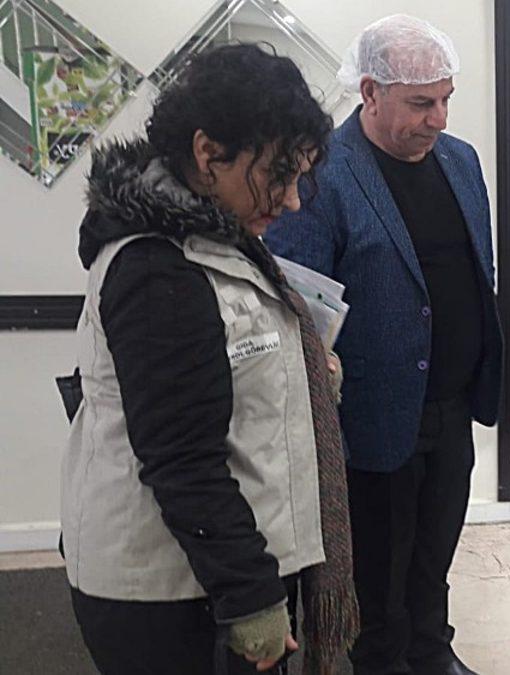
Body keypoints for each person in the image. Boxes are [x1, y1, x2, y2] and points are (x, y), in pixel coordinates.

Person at [62, 44, 358, 674]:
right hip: (171, 593)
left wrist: (302, 374)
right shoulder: (156, 268)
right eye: (278, 173)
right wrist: (251, 596)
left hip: (206, 576)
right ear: (207, 153)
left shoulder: (214, 236)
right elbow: (181, 456)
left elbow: (224, 381)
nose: (292, 200)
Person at [264, 14, 503, 675]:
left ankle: (432, 651)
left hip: (452, 405)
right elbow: (299, 310)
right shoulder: (322, 174)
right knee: (379, 569)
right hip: (372, 416)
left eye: (446, 99)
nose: (439, 119)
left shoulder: (460, 161)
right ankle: (382, 662)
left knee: (434, 552)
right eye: (421, 103)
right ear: (370, 92)